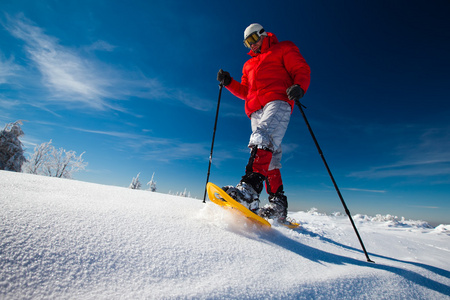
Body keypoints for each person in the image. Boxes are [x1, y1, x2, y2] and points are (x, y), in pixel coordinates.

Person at [217, 23, 311, 223]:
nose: (251, 46)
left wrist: (300, 86)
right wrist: (229, 83)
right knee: (270, 155)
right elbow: (245, 91)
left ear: (263, 34)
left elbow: (301, 68)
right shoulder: (248, 65)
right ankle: (278, 205)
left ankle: (249, 192)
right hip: (255, 109)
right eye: (246, 43)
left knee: (262, 137)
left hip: (278, 100)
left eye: (253, 39)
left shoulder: (283, 48)